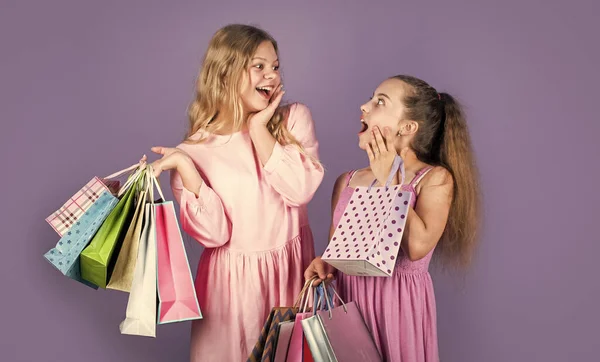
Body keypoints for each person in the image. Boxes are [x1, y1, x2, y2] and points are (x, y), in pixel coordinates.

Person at [147, 24, 324, 362]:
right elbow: (214, 235)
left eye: (275, 66)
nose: (271, 76)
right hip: (229, 292)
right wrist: (185, 167)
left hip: (291, 276)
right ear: (226, 71)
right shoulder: (194, 150)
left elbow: (299, 190)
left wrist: (259, 128)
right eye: (259, 65)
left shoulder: (293, 120)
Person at [304, 74, 480, 362]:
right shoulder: (347, 181)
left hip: (397, 305)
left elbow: (417, 248)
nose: (364, 106)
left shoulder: (434, 179)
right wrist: (325, 263)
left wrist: (390, 180)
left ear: (407, 127)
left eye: (379, 102)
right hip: (350, 304)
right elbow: (339, 251)